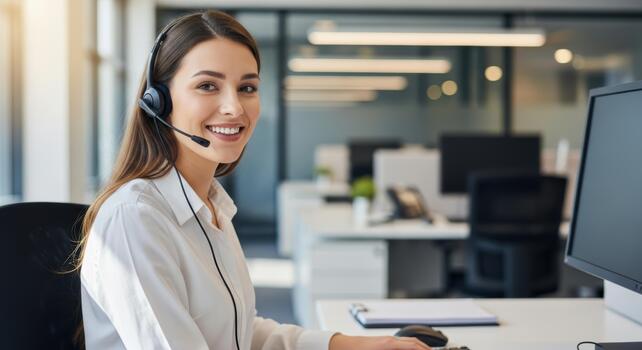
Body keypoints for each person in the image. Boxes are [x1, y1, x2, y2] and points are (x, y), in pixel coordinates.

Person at [76, 10, 431, 350]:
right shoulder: (135, 219)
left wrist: (349, 344)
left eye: (247, 88)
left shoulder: (212, 208)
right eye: (207, 86)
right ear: (159, 102)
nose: (234, 107)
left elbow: (238, 333)